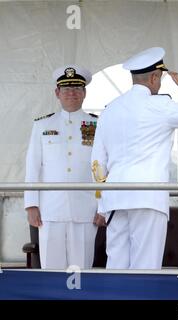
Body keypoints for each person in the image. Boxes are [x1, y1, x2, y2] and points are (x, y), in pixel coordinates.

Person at [91, 47, 178, 270]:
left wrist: (102, 204)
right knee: (146, 266)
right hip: (147, 198)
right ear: (154, 77)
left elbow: (97, 163)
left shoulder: (110, 110)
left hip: (115, 199)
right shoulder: (160, 106)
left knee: (116, 264)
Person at [24, 65, 104, 269]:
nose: (72, 93)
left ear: (84, 93)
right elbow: (33, 166)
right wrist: (31, 204)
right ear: (57, 93)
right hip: (50, 209)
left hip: (86, 209)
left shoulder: (98, 125)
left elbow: (104, 168)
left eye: (77, 88)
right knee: (51, 269)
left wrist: (103, 206)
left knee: (82, 270)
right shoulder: (42, 126)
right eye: (66, 88)